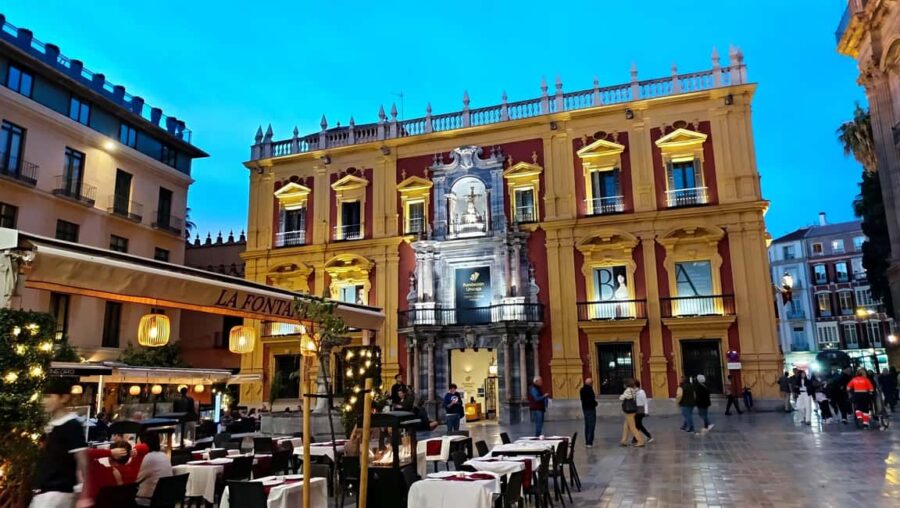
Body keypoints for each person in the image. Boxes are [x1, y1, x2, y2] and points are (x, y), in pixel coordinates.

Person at [30, 377, 88, 508]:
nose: (43, 401)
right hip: (46, 492)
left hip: (58, 493)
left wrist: (83, 493)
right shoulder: (52, 425)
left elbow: (82, 460)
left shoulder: (71, 425)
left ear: (64, 398)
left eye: (49, 396)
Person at [135, 432, 172, 506]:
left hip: (148, 500)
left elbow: (135, 479)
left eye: (138, 443)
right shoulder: (164, 455)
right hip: (166, 500)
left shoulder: (147, 458)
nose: (136, 445)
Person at [619, 379, 645, 447]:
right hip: (633, 410)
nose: (623, 385)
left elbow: (622, 398)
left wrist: (622, 396)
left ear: (626, 384)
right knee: (626, 426)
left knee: (632, 427)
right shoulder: (633, 390)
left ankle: (640, 441)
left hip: (629, 411)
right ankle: (624, 440)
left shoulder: (628, 390)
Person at [579, 378, 598, 447]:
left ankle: (587, 441)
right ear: (591, 383)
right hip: (591, 409)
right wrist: (596, 403)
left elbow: (582, 399)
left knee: (587, 425)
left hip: (585, 409)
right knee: (591, 426)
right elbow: (591, 400)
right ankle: (590, 442)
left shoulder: (582, 389)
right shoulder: (590, 390)